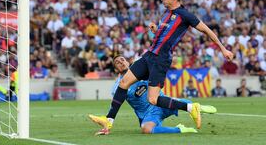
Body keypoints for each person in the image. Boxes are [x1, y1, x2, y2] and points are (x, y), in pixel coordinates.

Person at [90, 0, 233, 131]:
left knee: (152, 99)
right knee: (124, 82)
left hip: (160, 59)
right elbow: (164, 34)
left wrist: (223, 48)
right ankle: (108, 121)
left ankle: (190, 107)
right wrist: (155, 30)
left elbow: (207, 30)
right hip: (149, 55)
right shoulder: (166, 14)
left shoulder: (185, 15)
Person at [89, 56, 217, 135]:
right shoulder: (118, 86)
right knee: (146, 130)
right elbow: (116, 105)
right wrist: (107, 126)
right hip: (148, 114)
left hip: (162, 103)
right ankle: (180, 129)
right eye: (117, 62)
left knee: (185, 103)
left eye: (122, 59)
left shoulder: (140, 69)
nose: (121, 62)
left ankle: (197, 107)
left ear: (128, 62)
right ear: (116, 69)